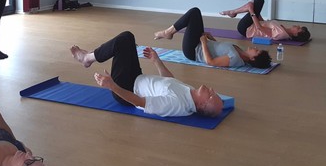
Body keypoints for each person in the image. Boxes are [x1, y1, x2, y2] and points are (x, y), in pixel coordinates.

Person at [70, 31, 224, 118]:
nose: (211, 90)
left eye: (211, 96)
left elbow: (139, 102)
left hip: (127, 88)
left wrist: (112, 86)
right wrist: (156, 61)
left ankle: (87, 58)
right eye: (214, 92)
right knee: (129, 39)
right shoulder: (191, 93)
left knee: (123, 41)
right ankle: (89, 57)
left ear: (202, 105)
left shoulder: (177, 105)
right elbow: (170, 81)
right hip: (137, 77)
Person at [154, 7, 272, 69]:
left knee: (194, 12)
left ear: (252, 59)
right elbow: (220, 50)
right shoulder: (240, 52)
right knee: (195, 12)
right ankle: (168, 32)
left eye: (256, 51)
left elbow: (211, 62)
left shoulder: (236, 59)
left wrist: (204, 43)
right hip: (201, 43)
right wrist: (211, 39)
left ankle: (167, 32)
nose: (255, 48)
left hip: (193, 51)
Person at [220, 0, 311, 42]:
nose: (298, 26)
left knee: (258, 1)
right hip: (252, 25)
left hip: (245, 29)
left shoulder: (280, 33)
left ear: (295, 34)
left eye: (299, 28)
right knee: (258, 2)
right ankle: (233, 12)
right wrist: (256, 13)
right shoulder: (283, 30)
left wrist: (251, 11)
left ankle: (233, 12)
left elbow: (260, 28)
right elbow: (264, 23)